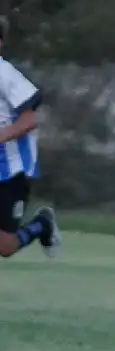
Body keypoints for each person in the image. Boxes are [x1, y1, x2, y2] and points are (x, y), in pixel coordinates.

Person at [0, 18, 60, 261]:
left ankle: (42, 224)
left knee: (5, 247)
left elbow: (29, 121)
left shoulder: (5, 74)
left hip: (11, 169)